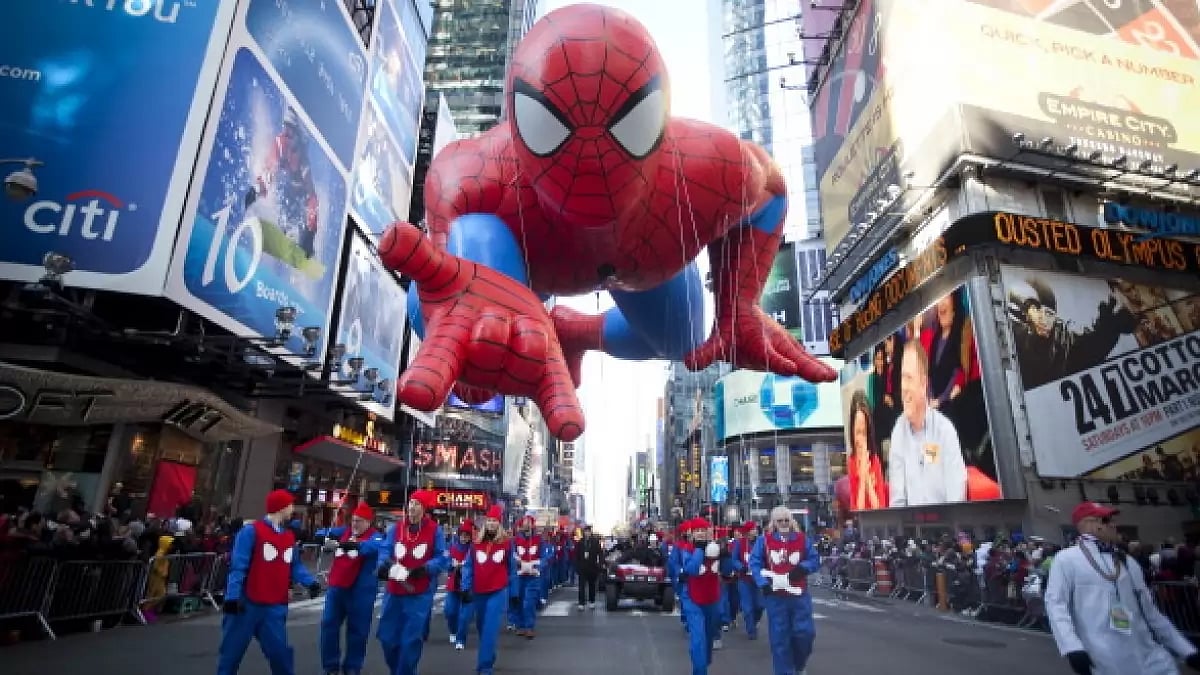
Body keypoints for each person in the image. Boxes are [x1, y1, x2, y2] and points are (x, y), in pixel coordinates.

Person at [1045, 502, 1199, 675]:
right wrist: (1072, 648)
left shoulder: (1127, 561)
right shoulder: (1066, 560)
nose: (1113, 525)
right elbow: (1056, 604)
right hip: (1105, 660)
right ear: (1089, 524)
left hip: (1151, 658)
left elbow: (1150, 611)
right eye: (1106, 520)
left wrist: (1186, 651)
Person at [218, 489, 321, 675]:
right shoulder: (251, 531)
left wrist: (310, 582)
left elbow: (294, 565)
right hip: (246, 604)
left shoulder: (288, 537)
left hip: (274, 606)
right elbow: (238, 565)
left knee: (280, 655)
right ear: (281, 507)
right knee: (230, 656)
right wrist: (232, 596)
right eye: (290, 504)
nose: (292, 508)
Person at [375, 490, 449, 675]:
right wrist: (383, 564)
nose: (412, 507)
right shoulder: (397, 528)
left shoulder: (435, 530)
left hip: (418, 593)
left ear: (424, 509)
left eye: (417, 504)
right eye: (411, 503)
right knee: (387, 638)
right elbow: (385, 549)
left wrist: (425, 568)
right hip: (394, 591)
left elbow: (442, 558)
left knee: (410, 642)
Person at [888, 340, 968, 506]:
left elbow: (956, 498)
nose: (904, 387)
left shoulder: (944, 431)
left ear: (923, 383)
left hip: (946, 520)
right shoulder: (898, 432)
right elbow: (897, 502)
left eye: (909, 378)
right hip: (911, 523)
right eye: (902, 378)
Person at [749, 505, 819, 675]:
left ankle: (799, 664)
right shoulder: (764, 541)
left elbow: (814, 559)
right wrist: (763, 583)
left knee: (805, 634)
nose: (783, 523)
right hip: (776, 597)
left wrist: (802, 568)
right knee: (780, 639)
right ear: (774, 522)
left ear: (791, 521)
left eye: (786, 520)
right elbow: (755, 563)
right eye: (780, 520)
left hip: (799, 595)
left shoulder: (802, 539)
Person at [318, 502, 385, 675]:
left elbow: (373, 547)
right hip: (337, 588)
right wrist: (324, 537)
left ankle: (352, 667)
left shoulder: (375, 537)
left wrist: (354, 545)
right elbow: (324, 533)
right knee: (328, 625)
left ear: (368, 522)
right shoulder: (344, 532)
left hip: (361, 592)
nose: (355, 524)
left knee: (358, 632)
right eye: (354, 520)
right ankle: (330, 666)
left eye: (359, 521)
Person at [462, 505, 517, 675]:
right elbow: (468, 566)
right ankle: (489, 655)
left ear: (499, 524)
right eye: (489, 520)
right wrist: (465, 587)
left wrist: (514, 592)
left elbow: (512, 569)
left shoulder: (507, 544)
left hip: (498, 591)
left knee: (490, 628)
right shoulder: (476, 543)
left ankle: (484, 666)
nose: (492, 523)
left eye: (495, 521)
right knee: (481, 627)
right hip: (479, 591)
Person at [680, 518, 723, 674]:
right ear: (692, 533)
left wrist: (726, 556)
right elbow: (691, 569)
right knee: (698, 639)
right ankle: (700, 670)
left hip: (711, 598)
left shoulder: (716, 547)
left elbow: (727, 571)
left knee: (708, 637)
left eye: (703, 530)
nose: (700, 533)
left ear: (708, 532)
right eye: (697, 530)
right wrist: (699, 549)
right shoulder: (688, 549)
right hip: (693, 599)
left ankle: (703, 662)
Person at [847, 390, 888, 510]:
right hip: (861, 520)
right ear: (852, 432)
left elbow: (879, 509)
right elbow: (858, 510)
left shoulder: (875, 461)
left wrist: (867, 480)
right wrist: (862, 478)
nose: (860, 439)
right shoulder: (851, 462)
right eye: (857, 432)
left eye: (864, 433)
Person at [512, 515, 550, 638]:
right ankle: (520, 625)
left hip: (533, 576)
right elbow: (511, 555)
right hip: (519, 575)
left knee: (529, 602)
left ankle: (529, 627)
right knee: (518, 600)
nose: (526, 526)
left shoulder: (539, 540)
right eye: (524, 523)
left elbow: (544, 557)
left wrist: (536, 566)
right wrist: (518, 563)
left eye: (529, 523)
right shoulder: (515, 540)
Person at [444, 520, 476, 651]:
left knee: (465, 616)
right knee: (450, 611)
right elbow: (445, 562)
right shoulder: (451, 546)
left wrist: (464, 566)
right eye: (462, 535)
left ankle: (461, 639)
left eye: (467, 535)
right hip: (453, 583)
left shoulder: (474, 548)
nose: (464, 538)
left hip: (468, 585)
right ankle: (453, 631)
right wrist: (451, 564)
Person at [732, 521, 764, 639]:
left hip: (759, 579)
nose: (755, 531)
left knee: (760, 605)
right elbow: (734, 559)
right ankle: (751, 630)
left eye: (755, 528)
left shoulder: (761, 542)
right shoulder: (740, 543)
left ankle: (755, 621)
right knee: (747, 607)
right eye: (752, 529)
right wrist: (741, 567)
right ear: (747, 532)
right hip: (744, 579)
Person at [575, 524, 603, 610]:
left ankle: (592, 601)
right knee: (581, 586)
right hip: (582, 567)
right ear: (584, 532)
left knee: (592, 585)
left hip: (592, 566)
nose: (587, 533)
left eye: (589, 532)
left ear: (591, 532)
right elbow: (577, 555)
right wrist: (577, 566)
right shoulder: (580, 542)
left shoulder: (595, 541)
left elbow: (600, 554)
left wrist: (600, 564)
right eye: (586, 532)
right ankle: (581, 603)